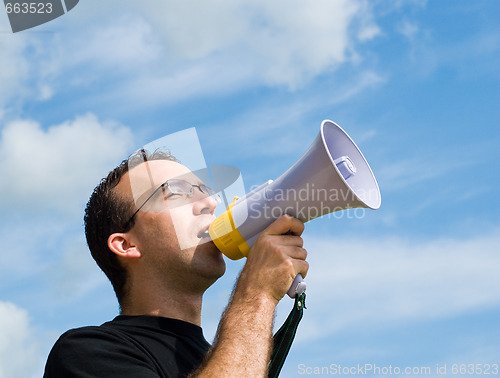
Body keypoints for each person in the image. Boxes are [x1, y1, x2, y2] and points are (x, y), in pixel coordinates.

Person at [43, 149, 309, 377]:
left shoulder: (235, 355)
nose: (210, 202)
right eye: (176, 192)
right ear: (126, 245)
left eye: (204, 190)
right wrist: (256, 295)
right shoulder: (86, 353)